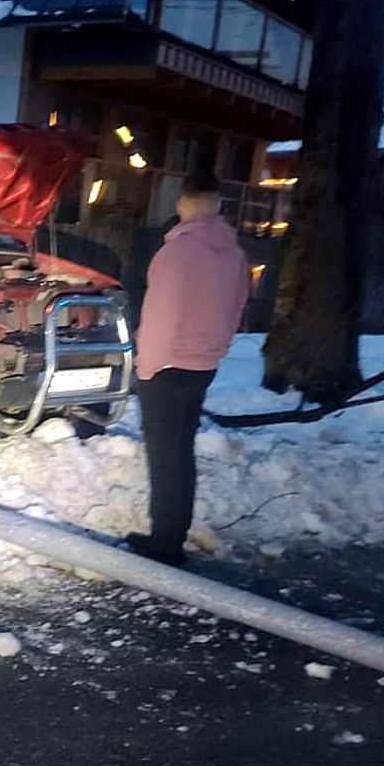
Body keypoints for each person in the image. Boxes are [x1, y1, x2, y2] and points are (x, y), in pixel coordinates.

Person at [127, 172, 250, 565]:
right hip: (203, 364)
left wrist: (146, 367)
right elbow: (237, 305)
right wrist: (218, 347)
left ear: (183, 205)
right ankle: (174, 530)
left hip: (167, 364)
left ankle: (164, 540)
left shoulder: (175, 253)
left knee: (164, 455)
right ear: (216, 207)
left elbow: (161, 315)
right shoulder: (234, 253)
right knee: (182, 450)